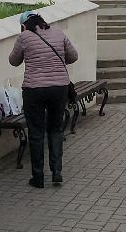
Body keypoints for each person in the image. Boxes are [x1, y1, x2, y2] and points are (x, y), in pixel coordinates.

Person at [8, 11, 79, 188]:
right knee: (55, 129)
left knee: (36, 132)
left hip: (34, 90)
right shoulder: (58, 32)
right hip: (59, 88)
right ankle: (57, 172)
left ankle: (38, 177)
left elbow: (13, 61)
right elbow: (73, 56)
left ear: (24, 25)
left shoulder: (24, 36)